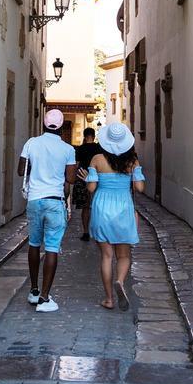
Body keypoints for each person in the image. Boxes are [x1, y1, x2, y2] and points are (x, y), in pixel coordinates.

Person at [80, 123, 145, 311]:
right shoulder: (132, 161)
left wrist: (87, 180)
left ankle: (109, 299)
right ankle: (120, 280)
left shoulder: (97, 159)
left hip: (102, 207)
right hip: (123, 207)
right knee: (124, 255)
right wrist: (136, 173)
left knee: (106, 256)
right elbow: (139, 188)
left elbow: (91, 189)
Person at [18, 108, 77, 312]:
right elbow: (70, 179)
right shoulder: (68, 149)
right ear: (61, 127)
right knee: (51, 247)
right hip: (54, 200)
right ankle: (44, 298)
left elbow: (20, 170)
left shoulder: (31, 143)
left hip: (34, 200)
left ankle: (33, 291)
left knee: (34, 244)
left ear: (43, 123)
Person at [73, 126, 100, 241]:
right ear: (94, 136)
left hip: (83, 178)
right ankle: (98, 232)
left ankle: (85, 232)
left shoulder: (80, 149)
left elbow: (77, 164)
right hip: (97, 178)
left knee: (86, 207)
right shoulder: (99, 148)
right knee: (98, 206)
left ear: (85, 136)